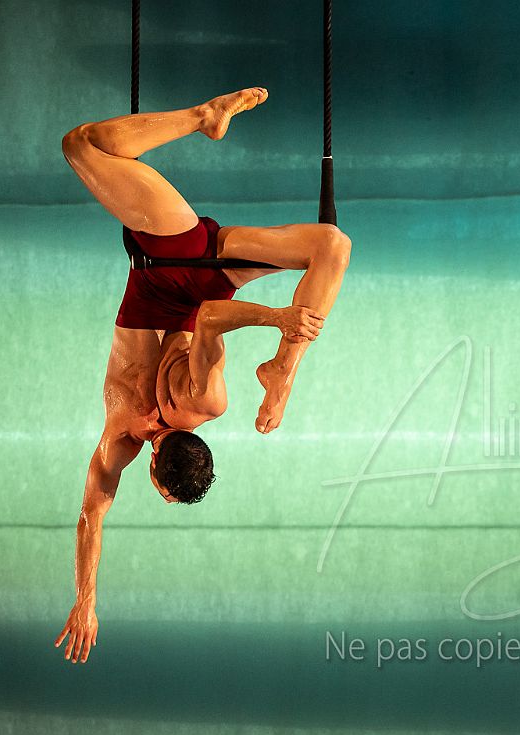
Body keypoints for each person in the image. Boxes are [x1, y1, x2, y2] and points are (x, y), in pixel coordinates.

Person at [54, 88, 351, 663]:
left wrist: (88, 600)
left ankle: (285, 366)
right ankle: (204, 116)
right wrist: (279, 317)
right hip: (173, 262)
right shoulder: (144, 425)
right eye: (161, 489)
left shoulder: (196, 410)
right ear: (155, 469)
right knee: (80, 145)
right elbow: (91, 514)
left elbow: (94, 516)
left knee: (332, 245)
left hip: (208, 265)